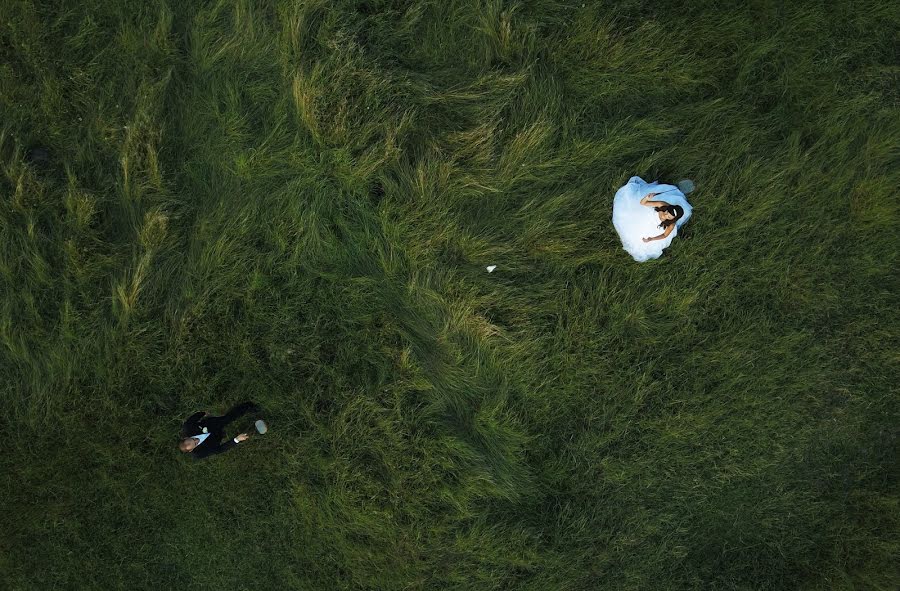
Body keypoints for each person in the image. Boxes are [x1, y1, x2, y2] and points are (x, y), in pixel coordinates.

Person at [612, 176, 693, 261]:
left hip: (655, 228)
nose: (665, 216)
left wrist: (652, 239)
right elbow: (642, 203)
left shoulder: (671, 225)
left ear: (673, 219)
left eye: (668, 217)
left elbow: (665, 235)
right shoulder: (662, 205)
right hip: (646, 215)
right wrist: (647, 197)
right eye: (666, 212)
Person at [179, 402, 261, 459]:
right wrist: (236, 440)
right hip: (215, 439)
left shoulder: (188, 427)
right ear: (191, 450)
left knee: (228, 418)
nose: (196, 440)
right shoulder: (199, 454)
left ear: (186, 437)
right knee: (224, 434)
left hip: (211, 424)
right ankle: (252, 430)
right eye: (196, 443)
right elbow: (219, 449)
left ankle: (248, 406)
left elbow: (194, 417)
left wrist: (204, 413)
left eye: (193, 438)